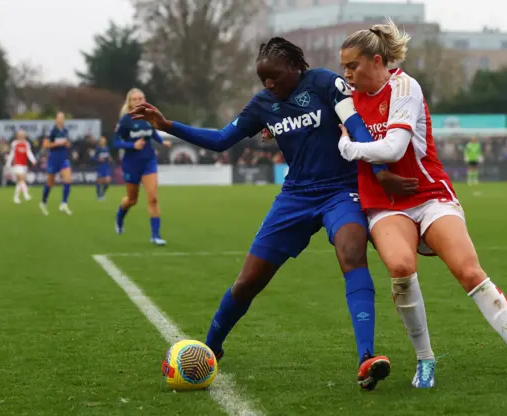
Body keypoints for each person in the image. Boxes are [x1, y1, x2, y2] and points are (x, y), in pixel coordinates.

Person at [130, 37, 419, 390]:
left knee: (352, 253)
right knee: (249, 279)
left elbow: (356, 127)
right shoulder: (263, 104)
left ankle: (366, 358)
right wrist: (167, 125)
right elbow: (222, 139)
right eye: (262, 79)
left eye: (275, 77)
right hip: (295, 197)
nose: (268, 85)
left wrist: (381, 174)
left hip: (340, 191)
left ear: (296, 68)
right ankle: (210, 348)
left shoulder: (327, 83)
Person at [337, 19, 507, 391]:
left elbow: (394, 149)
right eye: (343, 67)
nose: (346, 74)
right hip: (385, 204)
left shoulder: (405, 86)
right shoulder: (345, 98)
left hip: (428, 194)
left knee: (470, 272)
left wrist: (348, 148)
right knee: (402, 268)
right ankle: (425, 360)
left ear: (376, 61)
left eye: (352, 66)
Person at [113, 88, 172, 245]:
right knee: (132, 200)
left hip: (148, 161)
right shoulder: (125, 120)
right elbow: (115, 142)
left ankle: (156, 236)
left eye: (141, 98)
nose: (139, 101)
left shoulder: (148, 117)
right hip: (131, 164)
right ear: (130, 102)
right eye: (135, 99)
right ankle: (119, 216)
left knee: (153, 197)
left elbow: (152, 132)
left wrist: (162, 141)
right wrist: (132, 145)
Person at [40, 111, 72, 216]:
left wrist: (67, 144)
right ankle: (43, 202)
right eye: (60, 117)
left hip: (63, 158)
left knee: (68, 179)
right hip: (53, 159)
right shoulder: (52, 131)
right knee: (50, 183)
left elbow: (67, 143)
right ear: (56, 119)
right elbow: (45, 145)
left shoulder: (65, 130)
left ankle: (64, 203)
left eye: (63, 118)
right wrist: (57, 143)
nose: (61, 119)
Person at [6, 129, 36, 204]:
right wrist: (8, 163)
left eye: (23, 135)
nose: (22, 136)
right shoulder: (14, 143)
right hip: (17, 164)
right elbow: (12, 153)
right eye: (20, 135)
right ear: (18, 136)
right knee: (21, 179)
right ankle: (26, 194)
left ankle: (16, 198)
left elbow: (29, 153)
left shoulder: (26, 144)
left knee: (20, 182)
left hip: (24, 165)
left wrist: (33, 160)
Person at [93, 136, 112, 201]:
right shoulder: (97, 148)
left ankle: (102, 193)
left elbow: (108, 156)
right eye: (102, 140)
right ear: (100, 141)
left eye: (104, 140)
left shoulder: (107, 148)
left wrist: (109, 158)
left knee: (108, 181)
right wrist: (98, 159)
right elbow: (93, 157)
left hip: (106, 166)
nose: (103, 141)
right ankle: (99, 195)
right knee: (99, 181)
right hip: (100, 167)